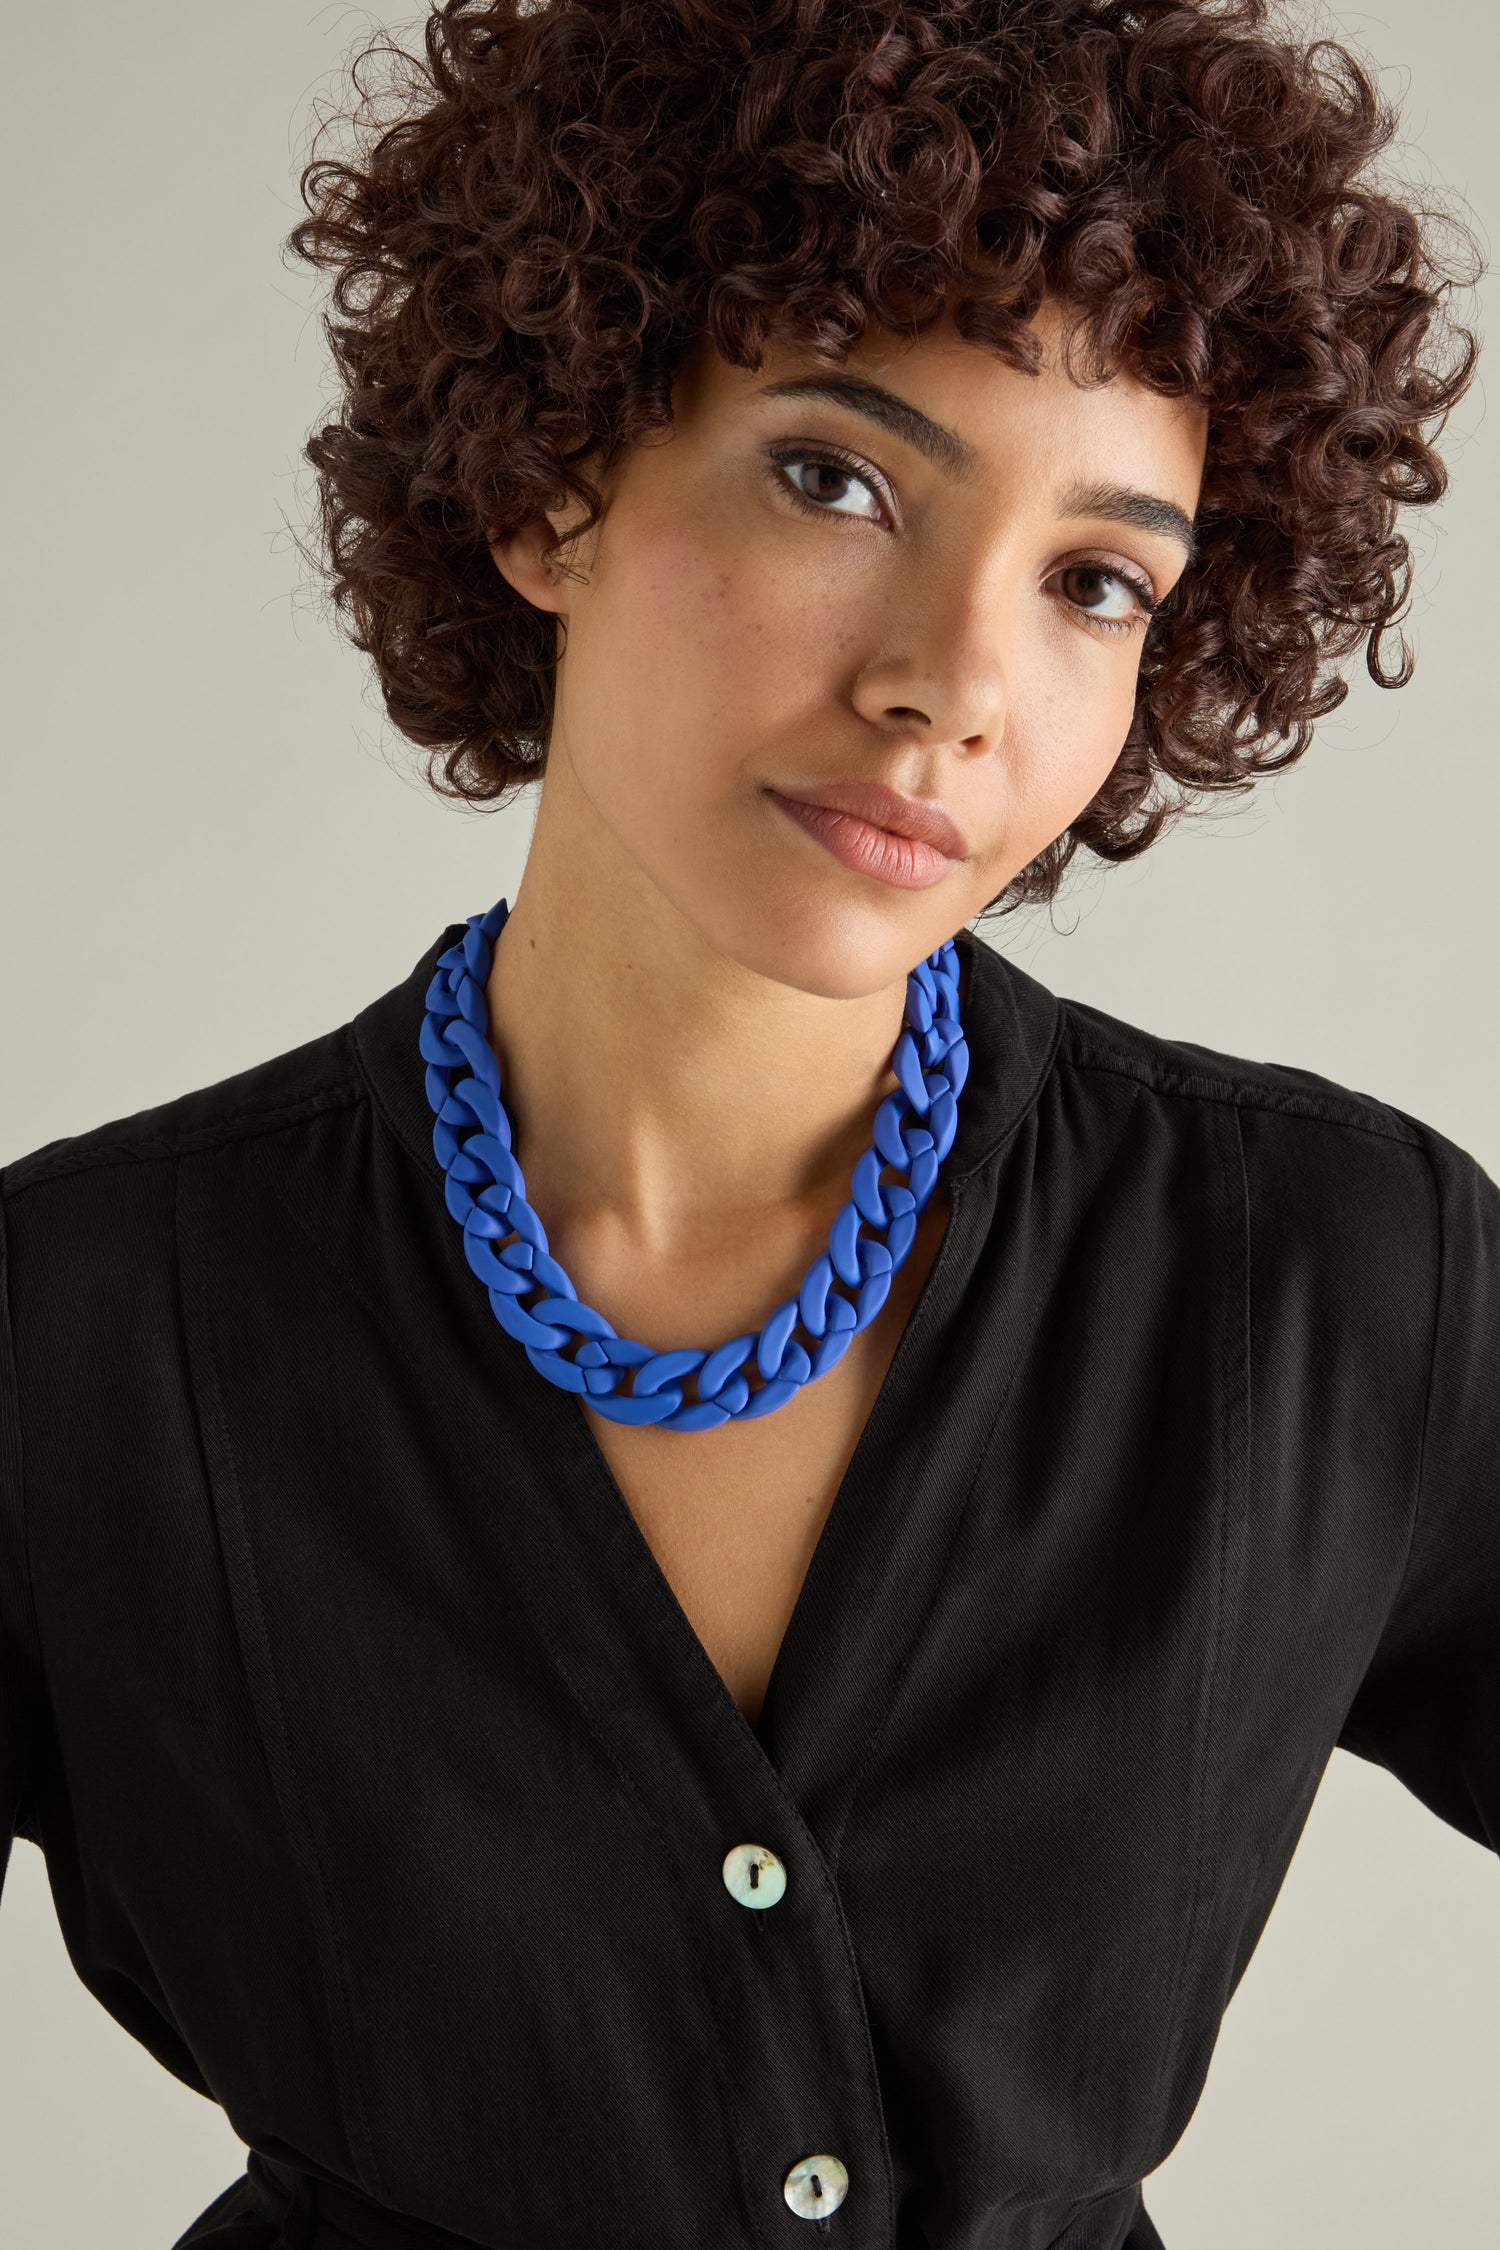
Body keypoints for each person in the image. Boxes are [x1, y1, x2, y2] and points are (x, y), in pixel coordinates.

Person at [0, 1, 1490, 2245]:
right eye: (837, 477)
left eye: (1096, 579)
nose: (952, 686)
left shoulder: (1335, 1279)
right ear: (547, 481)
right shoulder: (85, 1329)